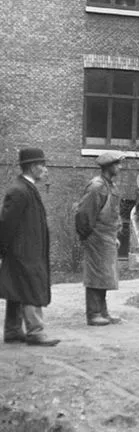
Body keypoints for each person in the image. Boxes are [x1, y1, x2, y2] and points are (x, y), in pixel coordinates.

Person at [0, 148, 60, 346]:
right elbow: (6, 223)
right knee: (31, 286)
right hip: (23, 252)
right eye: (42, 165)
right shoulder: (19, 190)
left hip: (24, 251)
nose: (45, 169)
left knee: (16, 287)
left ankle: (12, 330)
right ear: (33, 167)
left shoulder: (25, 188)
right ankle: (35, 332)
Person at [75, 151, 126, 326]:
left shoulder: (111, 186)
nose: (120, 167)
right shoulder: (96, 187)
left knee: (105, 275)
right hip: (95, 237)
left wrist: (115, 235)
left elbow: (113, 214)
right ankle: (93, 313)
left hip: (107, 237)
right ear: (109, 166)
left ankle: (103, 311)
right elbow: (83, 214)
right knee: (96, 274)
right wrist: (87, 236)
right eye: (117, 164)